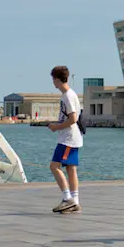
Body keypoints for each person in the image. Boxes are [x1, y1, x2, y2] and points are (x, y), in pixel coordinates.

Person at [48, 65, 84, 214]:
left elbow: (73, 118)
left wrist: (57, 127)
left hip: (68, 138)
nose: (53, 83)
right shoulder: (70, 94)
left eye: (53, 79)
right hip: (73, 138)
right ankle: (74, 201)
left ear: (57, 79)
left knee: (54, 166)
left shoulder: (68, 96)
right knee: (70, 168)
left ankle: (67, 198)